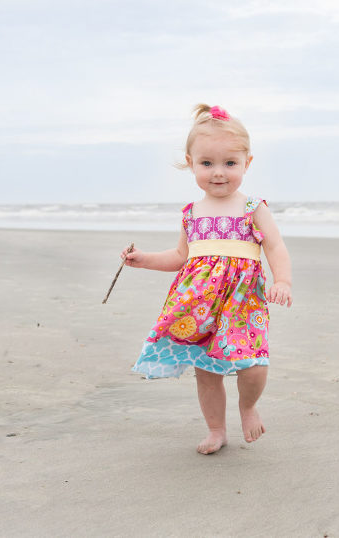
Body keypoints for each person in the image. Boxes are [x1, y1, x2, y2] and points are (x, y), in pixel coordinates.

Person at [121, 104, 293, 455]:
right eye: (207, 164)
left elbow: (275, 246)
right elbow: (181, 257)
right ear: (191, 162)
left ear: (248, 162)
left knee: (254, 363)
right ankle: (216, 430)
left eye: (230, 163)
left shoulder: (253, 207)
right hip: (199, 304)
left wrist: (283, 281)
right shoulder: (191, 213)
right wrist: (144, 261)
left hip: (243, 301)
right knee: (206, 371)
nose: (218, 173)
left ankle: (248, 406)